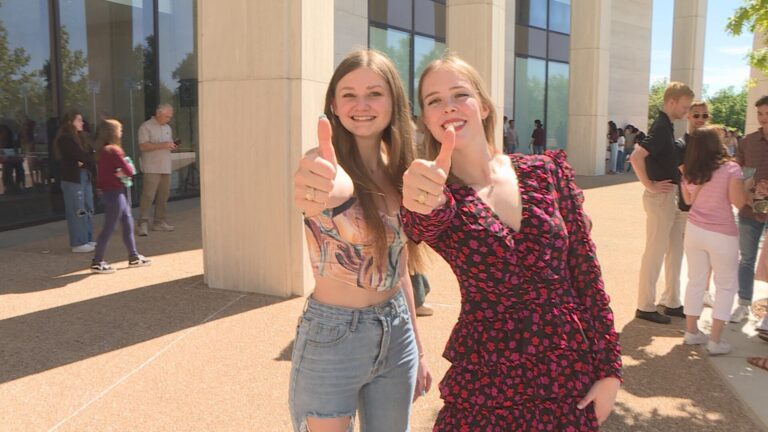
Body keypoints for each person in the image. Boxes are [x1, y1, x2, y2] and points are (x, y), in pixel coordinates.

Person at [401, 55, 621, 430]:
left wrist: (610, 371)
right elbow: (420, 223)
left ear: (484, 106)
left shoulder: (546, 172)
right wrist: (422, 199)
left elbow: (586, 275)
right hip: (487, 376)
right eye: (434, 100)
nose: (449, 106)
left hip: (565, 370)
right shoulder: (439, 196)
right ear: (425, 119)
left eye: (460, 94)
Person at [290, 49, 431, 432]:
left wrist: (418, 348)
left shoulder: (401, 172)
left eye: (375, 93)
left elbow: (400, 267)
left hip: (397, 330)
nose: (361, 105)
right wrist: (322, 188)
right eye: (348, 94)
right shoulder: (322, 165)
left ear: (393, 102)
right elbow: (318, 189)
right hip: (333, 337)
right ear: (333, 105)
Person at [630, 81, 694, 324]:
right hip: (661, 197)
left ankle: (671, 301)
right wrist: (649, 185)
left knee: (675, 251)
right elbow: (636, 156)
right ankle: (645, 305)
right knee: (655, 252)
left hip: (671, 197)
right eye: (684, 107)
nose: (686, 111)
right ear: (671, 102)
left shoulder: (666, 127)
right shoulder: (660, 126)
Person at [679, 126, 747, 355]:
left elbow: (688, 200)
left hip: (695, 230)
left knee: (695, 281)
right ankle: (715, 340)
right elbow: (739, 202)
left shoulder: (689, 170)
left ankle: (691, 331)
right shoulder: (731, 169)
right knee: (726, 285)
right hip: (722, 233)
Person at [90, 119, 151, 274]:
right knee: (110, 227)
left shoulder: (102, 150)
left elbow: (104, 176)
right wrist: (123, 171)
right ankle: (97, 261)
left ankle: (134, 256)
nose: (121, 132)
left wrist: (119, 172)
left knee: (127, 222)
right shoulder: (114, 150)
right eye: (120, 129)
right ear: (113, 132)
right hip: (115, 193)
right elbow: (130, 171)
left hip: (111, 192)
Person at [732, 95, 768, 324]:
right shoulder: (748, 141)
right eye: (760, 113)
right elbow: (737, 170)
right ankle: (743, 304)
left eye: (767, 113)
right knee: (746, 258)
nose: (763, 118)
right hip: (749, 208)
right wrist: (746, 189)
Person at [54, 111, 96, 253]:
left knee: (88, 207)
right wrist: (84, 159)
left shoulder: (82, 137)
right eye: (78, 120)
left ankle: (87, 238)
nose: (81, 123)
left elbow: (90, 155)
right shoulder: (65, 139)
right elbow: (78, 155)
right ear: (70, 122)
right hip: (73, 178)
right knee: (77, 209)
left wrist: (84, 160)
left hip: (85, 175)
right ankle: (78, 242)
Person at [136, 103, 177, 236]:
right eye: (167, 116)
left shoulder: (167, 128)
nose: (168, 119)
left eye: (170, 117)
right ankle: (143, 222)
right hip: (152, 166)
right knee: (148, 195)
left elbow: (167, 144)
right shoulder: (146, 127)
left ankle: (159, 222)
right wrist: (163, 145)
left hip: (165, 165)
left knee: (164, 195)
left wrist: (171, 145)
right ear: (159, 113)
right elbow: (143, 146)